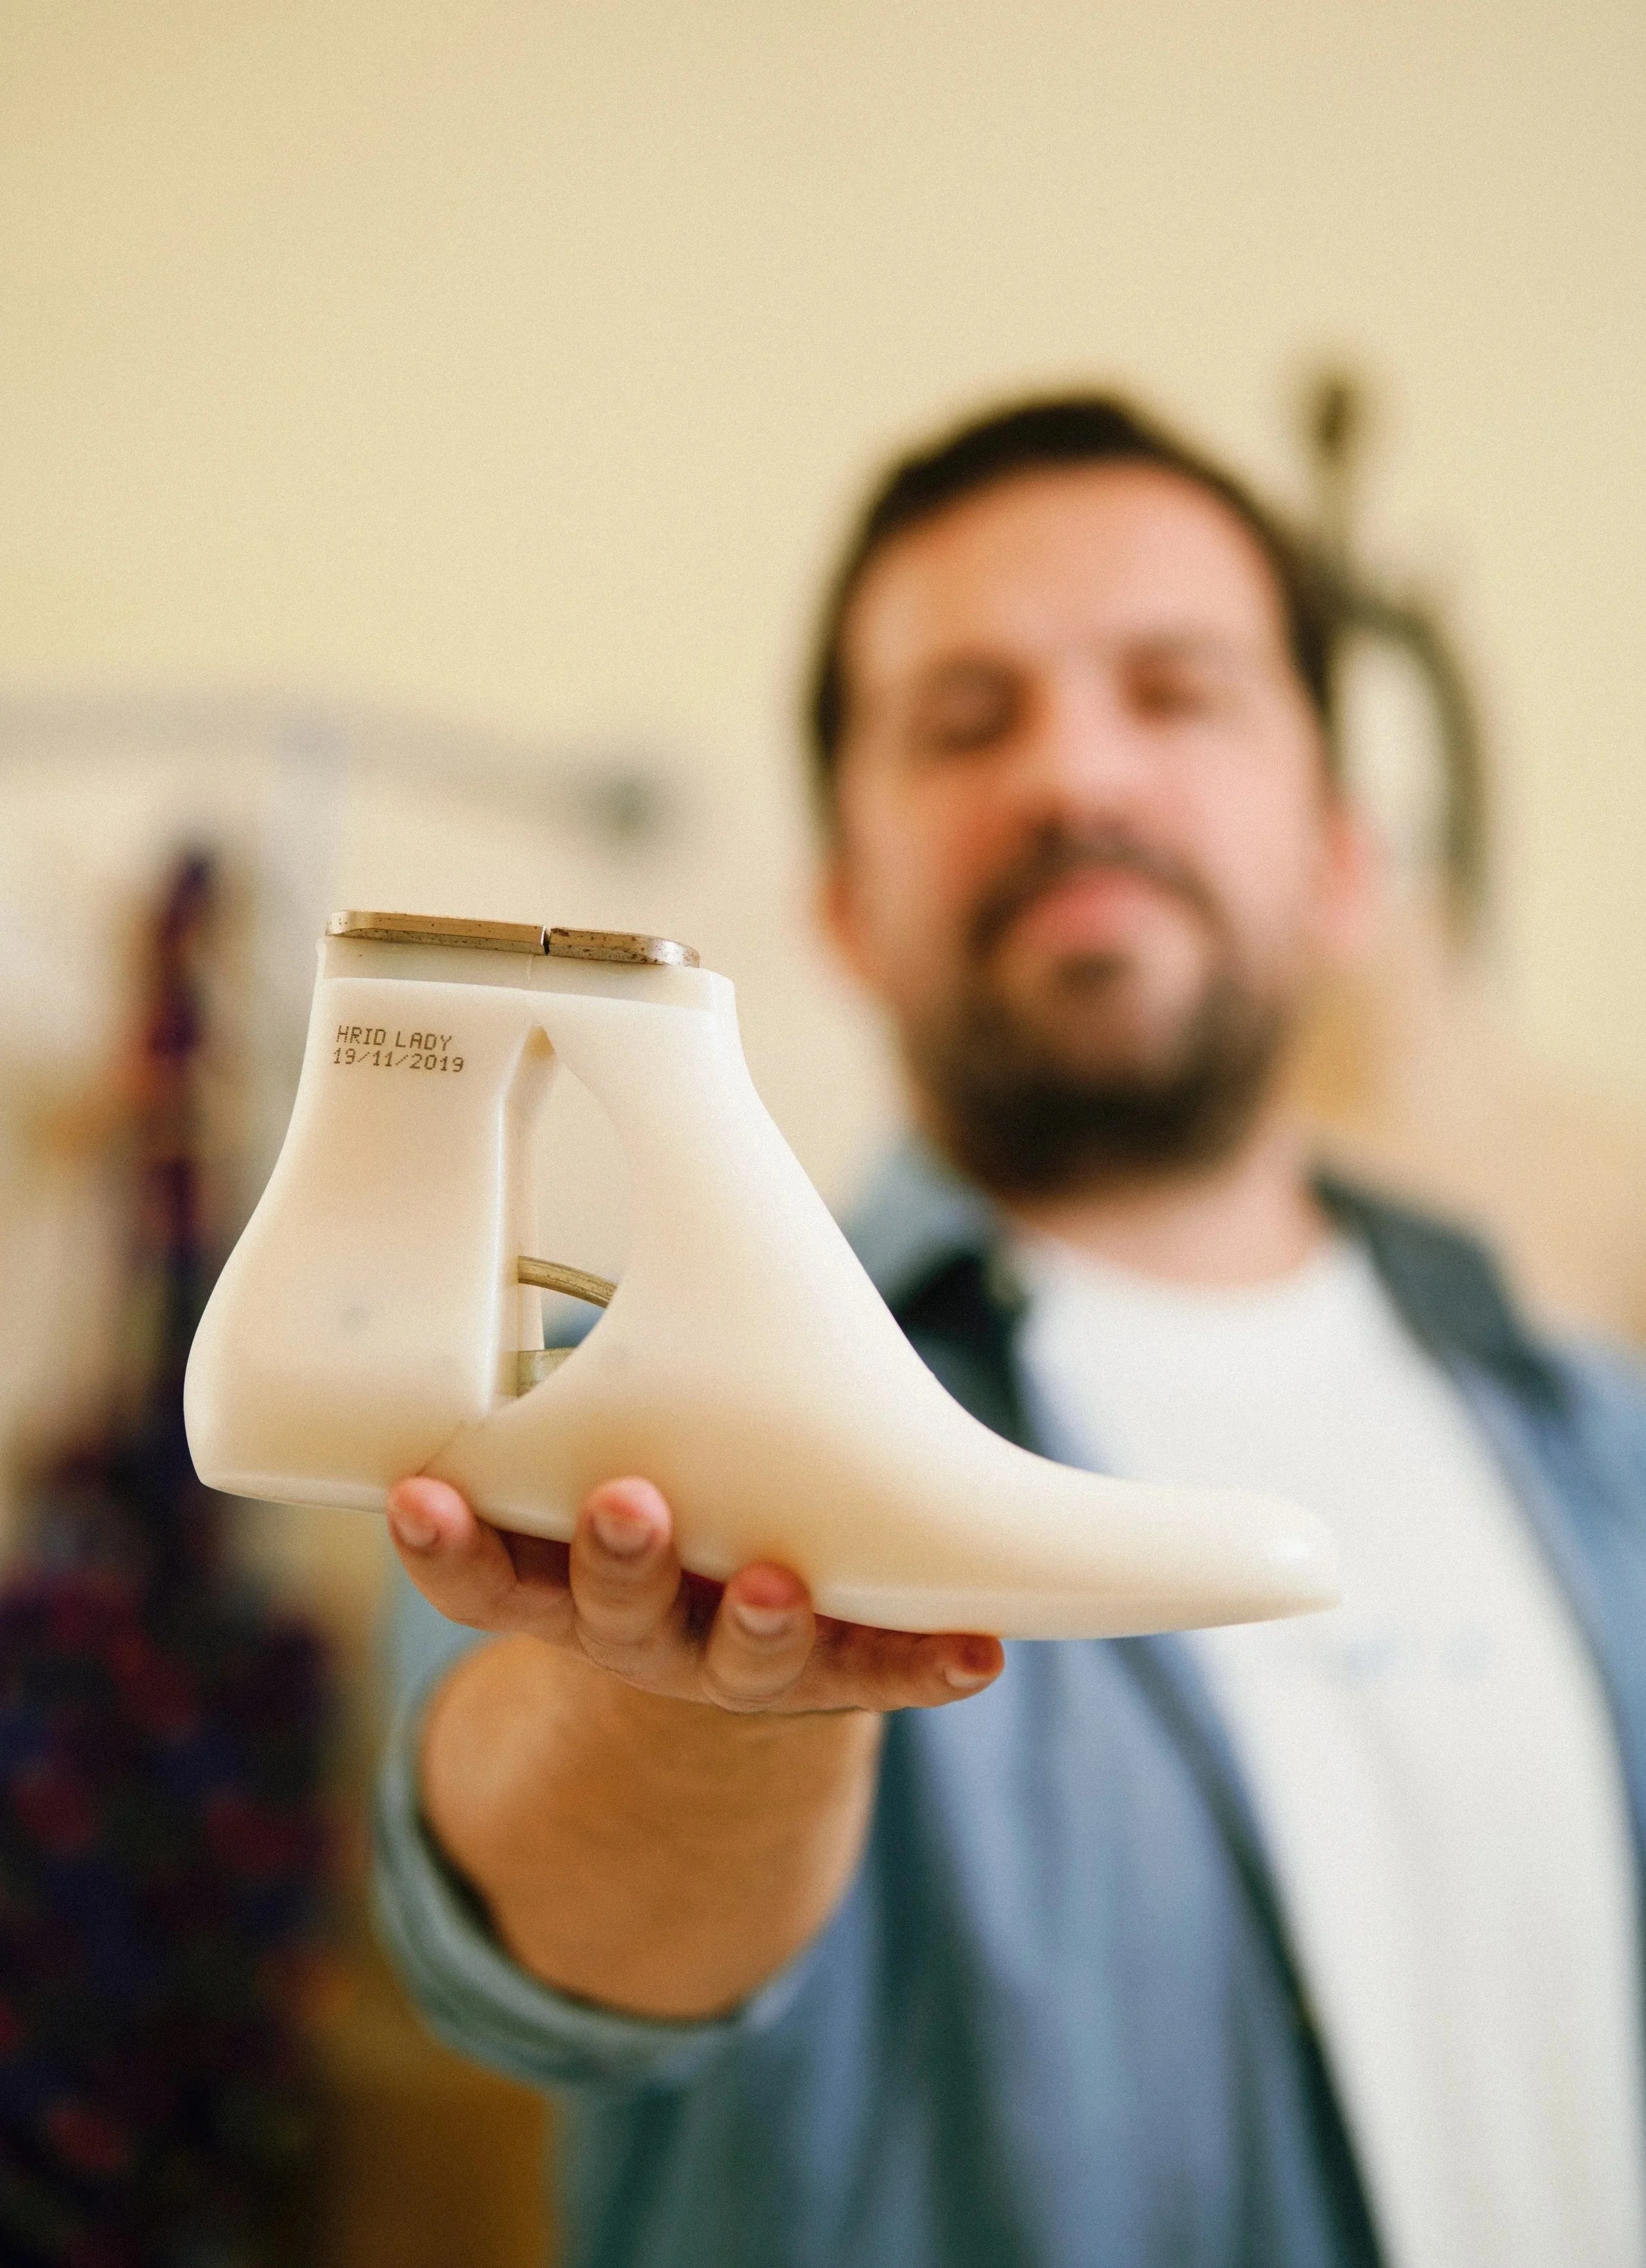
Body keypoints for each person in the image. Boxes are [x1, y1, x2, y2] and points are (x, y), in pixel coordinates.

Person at [374, 397, 1646, 2268]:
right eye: (966, 719)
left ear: (1343, 859)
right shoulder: (606, 1424)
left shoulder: (1594, 1439)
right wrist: (697, 1706)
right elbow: (547, 1954)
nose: (1074, 775)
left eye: (1177, 691)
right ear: (841, 902)